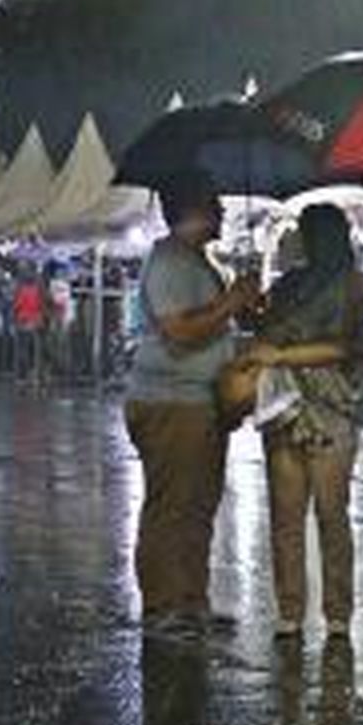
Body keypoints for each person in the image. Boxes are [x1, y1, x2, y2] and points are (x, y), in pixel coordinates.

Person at [124, 169, 261, 632]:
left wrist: (241, 301)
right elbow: (179, 332)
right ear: (194, 210)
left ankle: (191, 601)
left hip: (200, 403)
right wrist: (230, 303)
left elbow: (210, 322)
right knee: (171, 506)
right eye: (214, 203)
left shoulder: (197, 260)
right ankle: (163, 607)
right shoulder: (168, 262)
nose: (223, 210)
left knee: (199, 505)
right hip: (170, 403)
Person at [242, 204, 363, 640]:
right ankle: (291, 611)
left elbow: (342, 347)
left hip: (329, 409)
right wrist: (252, 311)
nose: (300, 240)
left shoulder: (351, 287)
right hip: (286, 406)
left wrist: (280, 353)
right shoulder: (291, 283)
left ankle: (335, 613)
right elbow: (267, 332)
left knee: (330, 515)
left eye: (307, 232)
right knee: (287, 516)